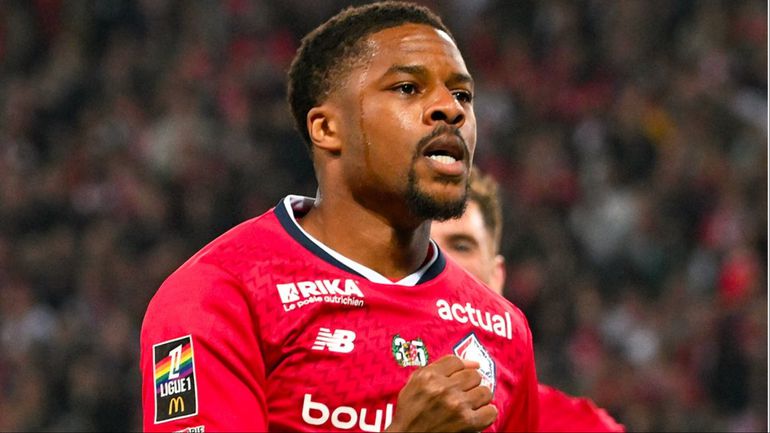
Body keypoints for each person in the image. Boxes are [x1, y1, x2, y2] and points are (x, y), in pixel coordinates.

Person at [140, 2, 539, 432]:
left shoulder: (503, 328)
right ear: (327, 129)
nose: (451, 109)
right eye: (408, 88)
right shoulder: (217, 295)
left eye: (462, 94)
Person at [430, 167, 626, 432]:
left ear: (496, 277)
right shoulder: (369, 396)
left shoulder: (580, 428)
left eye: (461, 245)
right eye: (422, 247)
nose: (439, 261)